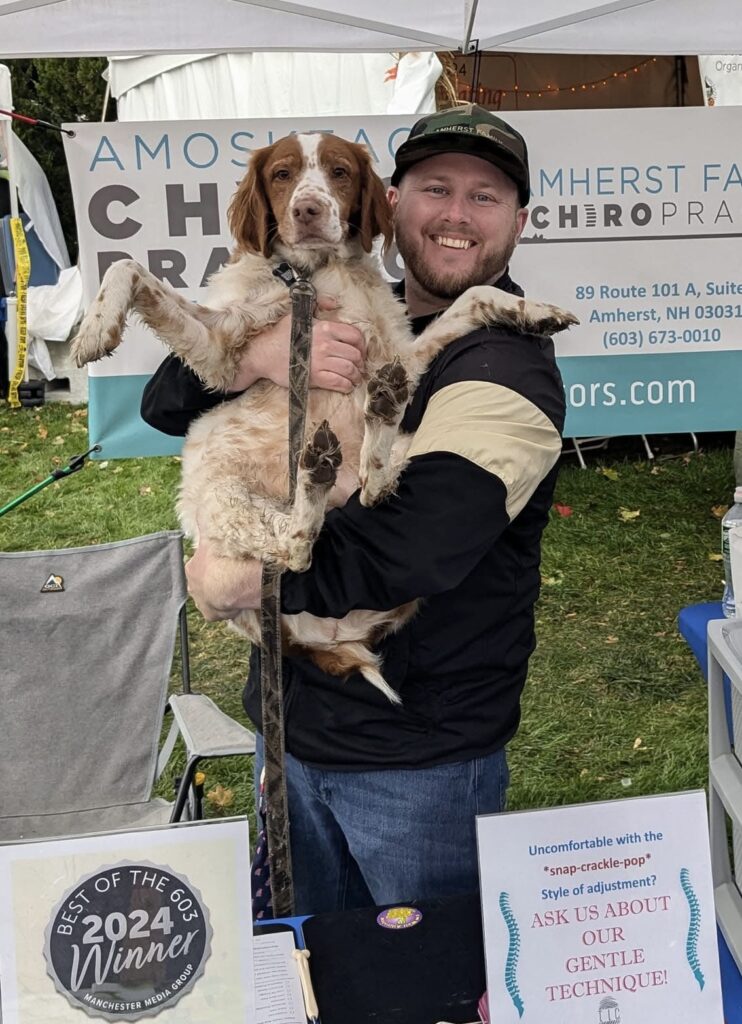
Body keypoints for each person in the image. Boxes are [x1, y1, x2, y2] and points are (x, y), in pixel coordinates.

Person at [141, 105, 566, 916]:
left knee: (417, 970)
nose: (455, 213)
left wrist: (246, 579)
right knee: (302, 958)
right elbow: (164, 402)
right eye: (436, 188)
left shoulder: (503, 365)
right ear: (392, 205)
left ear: (518, 222)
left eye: (484, 197)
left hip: (414, 761)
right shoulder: (357, 304)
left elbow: (415, 545)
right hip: (292, 729)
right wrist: (258, 357)